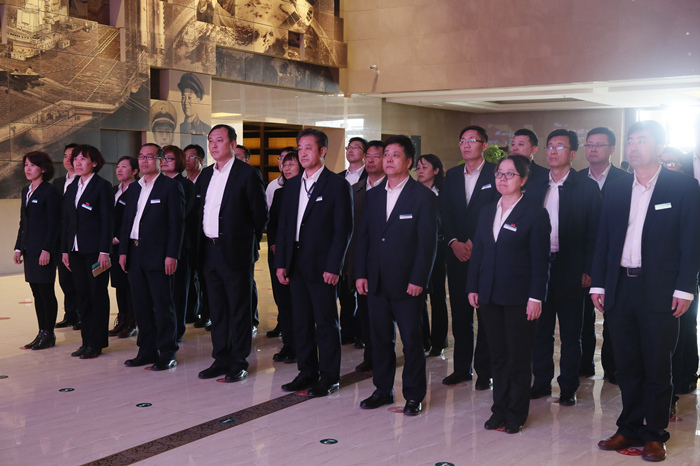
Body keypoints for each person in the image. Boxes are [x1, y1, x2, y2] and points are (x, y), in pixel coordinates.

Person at [592, 120, 700, 462]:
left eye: (641, 140)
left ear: (659, 146)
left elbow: (691, 241)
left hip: (661, 289)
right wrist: (599, 282)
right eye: (631, 141)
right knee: (626, 365)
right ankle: (628, 428)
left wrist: (685, 288)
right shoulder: (617, 188)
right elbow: (604, 238)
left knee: (657, 365)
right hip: (620, 286)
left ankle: (654, 434)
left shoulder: (682, 187)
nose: (634, 147)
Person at [355, 135, 438, 416]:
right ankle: (382, 389)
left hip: (407, 283)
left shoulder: (423, 196)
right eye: (386, 155)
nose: (388, 160)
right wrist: (361, 273)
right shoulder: (373, 194)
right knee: (379, 339)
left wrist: (419, 279)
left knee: (412, 341)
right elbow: (364, 237)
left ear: (409, 161)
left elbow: (427, 244)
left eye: (395, 155)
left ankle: (414, 395)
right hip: (376, 280)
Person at [467, 155, 551, 433]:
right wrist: (473, 286)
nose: (502, 179)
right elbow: (479, 252)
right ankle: (498, 410)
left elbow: (541, 261)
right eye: (499, 174)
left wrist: (536, 297)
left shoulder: (535, 214)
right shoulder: (486, 211)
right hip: (489, 295)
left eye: (510, 174)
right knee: (497, 356)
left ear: (523, 180)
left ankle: (516, 413)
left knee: (518, 357)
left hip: (519, 297)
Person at [525, 129, 601, 406]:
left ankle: (568, 386)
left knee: (571, 332)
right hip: (540, 267)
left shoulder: (586, 187)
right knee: (540, 330)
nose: (553, 151)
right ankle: (541, 381)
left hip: (572, 268)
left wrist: (589, 269)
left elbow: (595, 231)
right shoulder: (534, 185)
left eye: (560, 146)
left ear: (572, 154)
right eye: (550, 146)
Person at [275, 128, 353, 397]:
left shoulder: (337, 185)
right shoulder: (292, 185)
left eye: (308, 148)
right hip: (296, 264)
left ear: (322, 151)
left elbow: (343, 230)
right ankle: (306, 372)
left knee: (326, 323)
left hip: (322, 266)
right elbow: (285, 227)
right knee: (301, 322)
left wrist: (334, 266)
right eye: (300, 148)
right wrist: (281, 262)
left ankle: (329, 377)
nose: (303, 153)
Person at [196, 125, 267, 383]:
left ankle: (238, 361)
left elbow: (260, 215)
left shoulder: (247, 174)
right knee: (217, 309)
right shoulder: (206, 175)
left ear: (233, 144)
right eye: (210, 141)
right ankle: (221, 358)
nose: (214, 145)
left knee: (239, 308)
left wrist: (243, 241)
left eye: (219, 140)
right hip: (209, 250)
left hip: (235, 251)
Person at [440, 125, 498, 389]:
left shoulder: (495, 173)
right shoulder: (452, 175)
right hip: (457, 255)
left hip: (485, 255)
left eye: (472, 140)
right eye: (462, 140)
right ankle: (461, 369)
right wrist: (453, 242)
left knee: (485, 315)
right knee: (461, 314)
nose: (465, 145)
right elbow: (445, 212)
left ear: (484, 145)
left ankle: (485, 372)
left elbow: (497, 210)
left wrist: (474, 242)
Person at [119, 143, 185, 371]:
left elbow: (177, 224)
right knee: (141, 305)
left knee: (163, 305)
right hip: (135, 253)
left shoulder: (171, 187)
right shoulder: (134, 188)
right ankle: (146, 350)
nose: (144, 160)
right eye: (141, 157)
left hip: (159, 255)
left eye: (149, 157)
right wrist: (124, 251)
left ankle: (167, 352)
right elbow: (127, 222)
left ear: (160, 161)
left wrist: (172, 254)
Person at [578, 127, 630, 383]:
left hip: (616, 259)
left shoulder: (626, 180)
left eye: (599, 145)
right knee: (582, 317)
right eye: (589, 144)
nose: (593, 149)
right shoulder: (576, 180)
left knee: (614, 317)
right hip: (583, 260)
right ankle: (584, 364)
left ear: (612, 149)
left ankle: (613, 367)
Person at [62, 145, 114, 360]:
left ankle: (97, 342)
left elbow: (107, 221)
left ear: (94, 163)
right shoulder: (72, 186)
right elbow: (67, 221)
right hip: (75, 250)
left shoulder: (102, 186)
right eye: (75, 159)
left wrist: (104, 251)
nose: (77, 162)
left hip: (95, 252)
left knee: (97, 295)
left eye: (83, 159)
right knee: (82, 296)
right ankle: (86, 341)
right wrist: (65, 250)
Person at [658, 146, 699, 411]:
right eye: (661, 162)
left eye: (670, 163)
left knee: (684, 327)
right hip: (657, 275)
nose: (665, 167)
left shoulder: (690, 192)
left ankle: (684, 378)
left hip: (684, 274)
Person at [14, 151, 62, 350]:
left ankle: (49, 334)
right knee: (36, 292)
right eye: (26, 165)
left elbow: (53, 224)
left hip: (44, 251)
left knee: (46, 291)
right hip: (29, 249)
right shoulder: (26, 190)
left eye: (32, 165)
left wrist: (46, 249)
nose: (28, 169)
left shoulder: (49, 191)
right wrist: (18, 247)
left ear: (43, 169)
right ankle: (41, 332)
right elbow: (23, 222)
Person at [349, 140, 386, 372]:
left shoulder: (391, 189)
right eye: (368, 156)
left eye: (377, 156)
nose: (370, 160)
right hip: (360, 261)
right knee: (364, 311)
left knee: (382, 316)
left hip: (385, 263)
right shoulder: (355, 190)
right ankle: (370, 355)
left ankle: (382, 358)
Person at [267, 150, 300, 363]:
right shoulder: (279, 193)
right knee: (283, 302)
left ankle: (299, 346)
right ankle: (288, 344)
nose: (286, 168)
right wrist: (273, 244)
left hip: (298, 256)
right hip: (279, 255)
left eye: (291, 164)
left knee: (298, 304)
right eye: (284, 165)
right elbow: (272, 224)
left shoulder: (306, 192)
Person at [415, 153, 448, 357]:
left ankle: (438, 340)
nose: (420, 171)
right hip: (416, 250)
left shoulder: (444, 194)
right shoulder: (412, 193)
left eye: (424, 167)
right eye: (418, 167)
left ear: (436, 170)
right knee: (418, 295)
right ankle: (423, 339)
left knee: (437, 296)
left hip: (439, 248)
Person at [162, 145, 196, 341]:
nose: (164, 161)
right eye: (162, 158)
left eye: (170, 158)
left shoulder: (186, 185)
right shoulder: (157, 184)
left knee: (178, 290)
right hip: (159, 246)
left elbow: (184, 217)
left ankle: (177, 330)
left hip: (181, 245)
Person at [338, 137, 369, 346]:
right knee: (344, 288)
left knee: (362, 287)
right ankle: (347, 329)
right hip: (342, 240)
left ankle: (362, 331)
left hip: (360, 237)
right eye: (349, 147)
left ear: (365, 154)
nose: (350, 150)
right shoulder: (338, 178)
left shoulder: (370, 177)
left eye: (356, 147)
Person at [108, 156, 139, 339]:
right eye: (118, 166)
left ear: (134, 171)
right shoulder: (114, 190)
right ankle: (122, 319)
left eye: (124, 167)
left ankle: (132, 322)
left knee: (130, 286)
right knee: (119, 284)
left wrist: (120, 237)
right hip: (112, 246)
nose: (119, 170)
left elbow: (133, 218)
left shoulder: (138, 189)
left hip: (128, 245)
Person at [233, 143, 261, 330]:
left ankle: (252, 320)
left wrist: (252, 238)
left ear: (247, 160)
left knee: (247, 284)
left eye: (238, 156)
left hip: (245, 243)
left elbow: (259, 214)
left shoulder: (250, 176)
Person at [53, 143, 80, 330]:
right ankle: (70, 314)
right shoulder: (58, 182)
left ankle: (81, 314)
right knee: (64, 279)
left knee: (79, 278)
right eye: (65, 156)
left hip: (77, 237)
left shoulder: (85, 181)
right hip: (60, 237)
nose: (68, 160)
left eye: (73, 156)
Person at [183, 143, 209, 328]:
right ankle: (192, 311)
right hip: (187, 238)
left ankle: (207, 313)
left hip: (204, 237)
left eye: (191, 156)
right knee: (189, 277)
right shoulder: (183, 183)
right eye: (184, 156)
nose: (187, 160)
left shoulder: (207, 181)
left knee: (205, 277)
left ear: (201, 160)